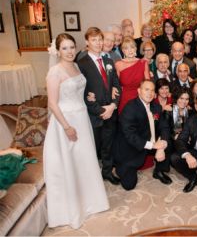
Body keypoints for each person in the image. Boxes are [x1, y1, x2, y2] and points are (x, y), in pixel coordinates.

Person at [44, 33, 109, 229]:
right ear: (58, 50)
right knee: (70, 164)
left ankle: (90, 202)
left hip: (82, 118)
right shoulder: (55, 72)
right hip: (66, 122)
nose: (69, 51)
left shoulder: (77, 66)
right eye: (64, 48)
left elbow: (79, 90)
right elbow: (52, 103)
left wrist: (88, 95)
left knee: (84, 161)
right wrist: (66, 127)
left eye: (72, 47)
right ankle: (73, 208)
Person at [77, 27, 121, 185]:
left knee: (108, 145)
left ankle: (107, 172)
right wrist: (100, 110)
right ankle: (92, 177)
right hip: (94, 113)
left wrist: (113, 106)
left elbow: (117, 85)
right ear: (87, 42)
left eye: (99, 39)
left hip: (110, 111)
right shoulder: (81, 64)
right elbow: (82, 92)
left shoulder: (109, 61)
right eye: (94, 40)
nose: (97, 43)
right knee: (93, 147)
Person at [113, 80, 172, 190]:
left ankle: (159, 171)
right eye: (146, 89)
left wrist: (161, 146)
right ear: (139, 91)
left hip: (150, 141)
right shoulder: (130, 108)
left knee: (169, 142)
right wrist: (154, 146)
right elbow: (130, 136)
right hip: (131, 148)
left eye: (152, 90)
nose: (150, 93)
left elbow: (164, 127)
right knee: (129, 185)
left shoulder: (156, 107)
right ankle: (119, 167)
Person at [115, 36, 150, 113]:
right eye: (126, 48)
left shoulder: (143, 63)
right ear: (123, 50)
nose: (130, 50)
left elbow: (148, 85)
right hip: (124, 100)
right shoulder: (118, 64)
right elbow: (115, 85)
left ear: (136, 48)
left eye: (132, 47)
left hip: (141, 99)